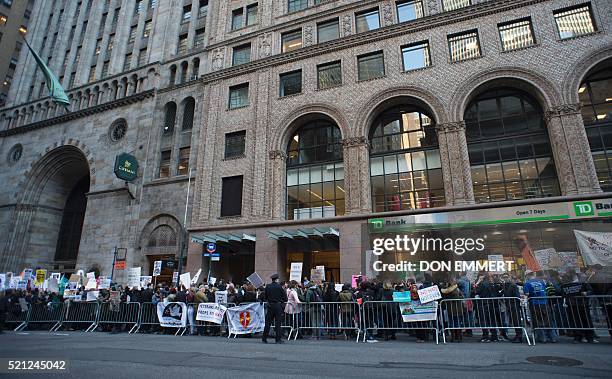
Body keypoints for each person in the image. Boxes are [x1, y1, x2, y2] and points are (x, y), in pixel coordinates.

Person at [262, 273, 288, 344]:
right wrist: (281, 301)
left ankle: (264, 338)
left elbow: (265, 297)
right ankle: (278, 339)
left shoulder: (268, 286)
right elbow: (285, 298)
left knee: (268, 323)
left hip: (270, 306)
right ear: (277, 279)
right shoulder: (279, 287)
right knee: (278, 323)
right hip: (278, 306)